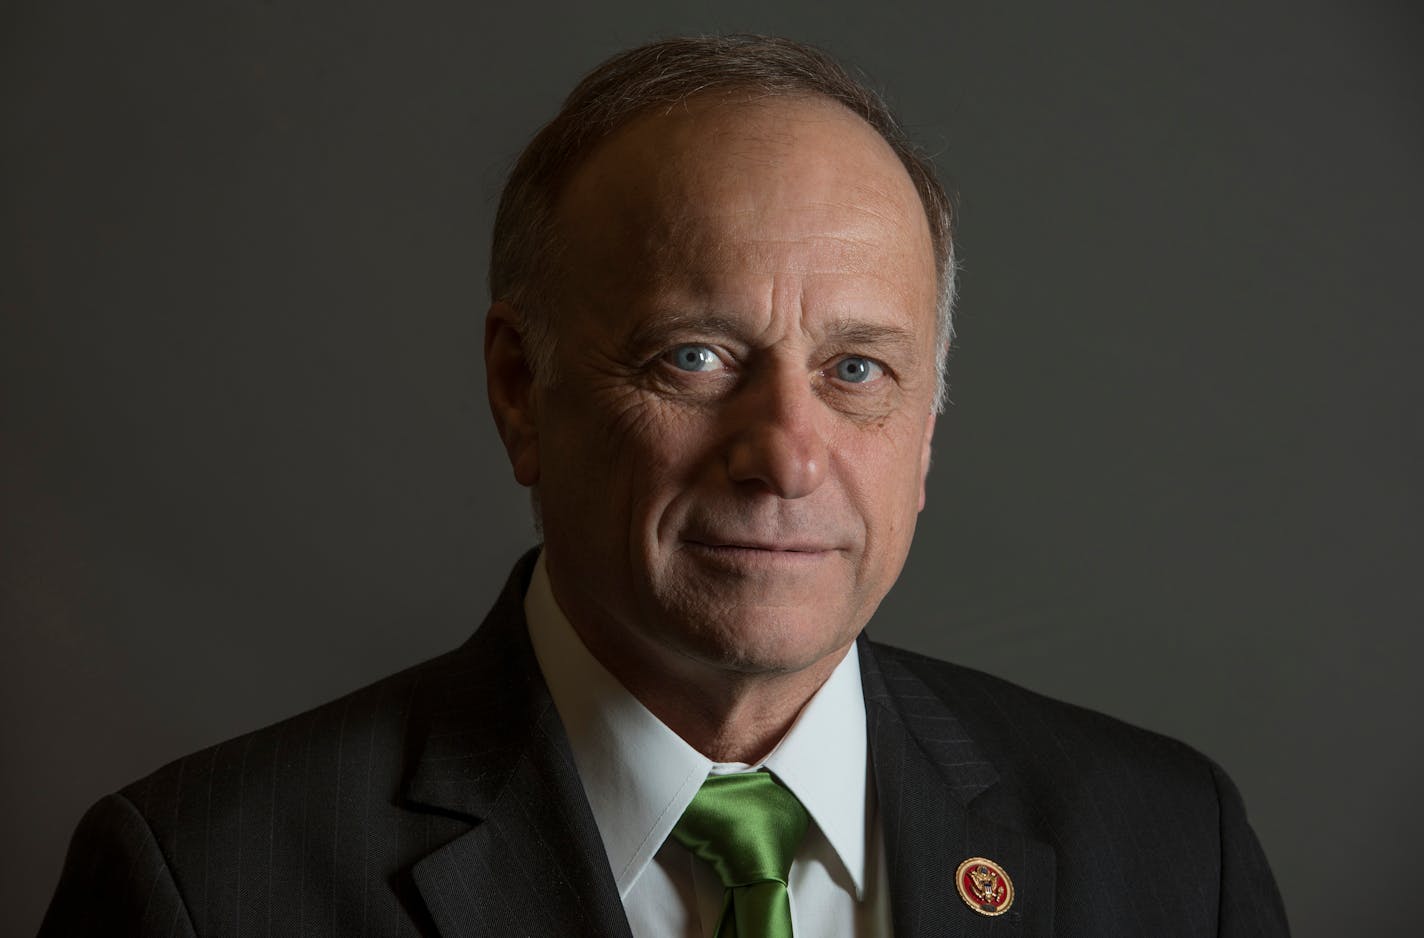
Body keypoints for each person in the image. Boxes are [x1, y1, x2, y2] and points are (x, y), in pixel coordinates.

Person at [40, 35, 1289, 937]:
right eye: (694, 357)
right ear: (520, 389)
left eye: (857, 368)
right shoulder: (207, 884)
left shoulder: (1173, 848)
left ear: (927, 426)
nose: (787, 455)